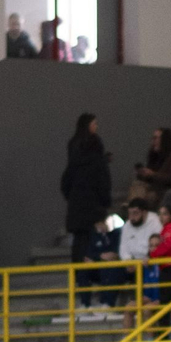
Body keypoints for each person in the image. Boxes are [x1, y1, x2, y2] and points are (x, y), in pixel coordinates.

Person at [61, 114, 112, 307]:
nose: (97, 126)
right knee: (94, 249)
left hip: (76, 208)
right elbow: (103, 183)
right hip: (93, 208)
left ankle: (82, 294)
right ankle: (99, 290)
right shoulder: (96, 160)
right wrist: (104, 205)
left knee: (79, 249)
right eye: (95, 123)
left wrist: (72, 198)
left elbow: (64, 183)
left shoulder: (73, 158)